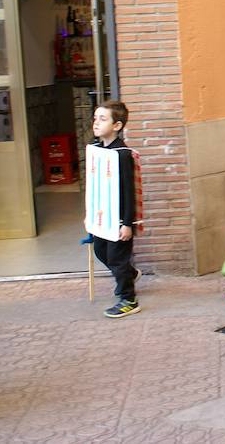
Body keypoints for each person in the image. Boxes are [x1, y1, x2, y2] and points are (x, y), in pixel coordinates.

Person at [90, 100, 141, 318]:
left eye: (103, 119)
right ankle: (129, 274)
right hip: (103, 217)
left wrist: (127, 223)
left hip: (119, 220)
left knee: (117, 259)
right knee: (100, 251)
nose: (96, 123)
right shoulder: (97, 151)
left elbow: (128, 191)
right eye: (95, 118)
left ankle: (128, 299)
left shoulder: (122, 154)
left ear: (117, 125)